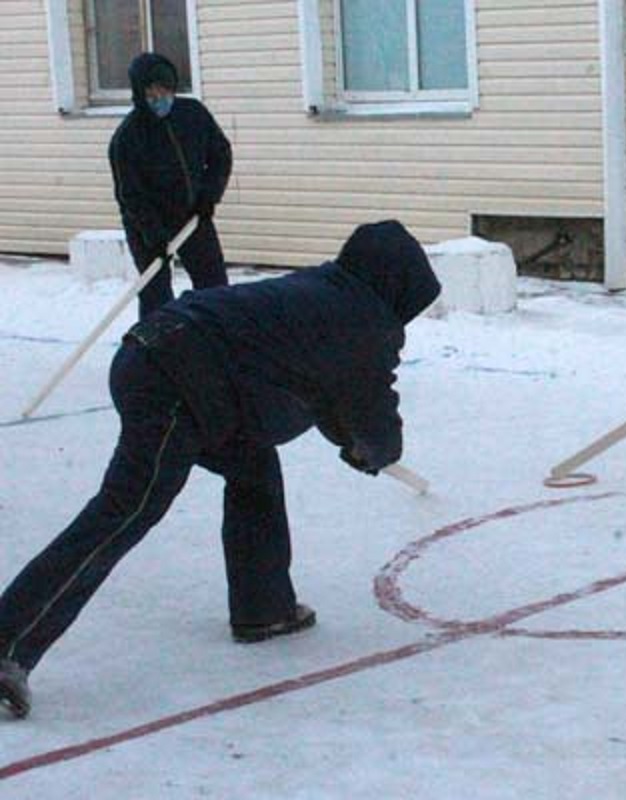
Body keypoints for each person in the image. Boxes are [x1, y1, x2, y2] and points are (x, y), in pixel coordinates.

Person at [0, 220, 441, 720]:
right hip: (174, 382)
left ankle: (265, 608)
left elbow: (328, 395)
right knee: (125, 510)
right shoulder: (364, 324)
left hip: (165, 357)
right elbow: (368, 411)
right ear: (397, 284)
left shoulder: (324, 292)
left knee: (252, 465)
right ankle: (7, 644)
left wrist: (356, 441)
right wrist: (374, 452)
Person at [108, 52, 233, 319]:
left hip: (192, 215)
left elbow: (220, 154)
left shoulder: (193, 115)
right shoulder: (127, 137)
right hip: (147, 227)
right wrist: (152, 233)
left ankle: (218, 342)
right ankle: (154, 353)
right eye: (151, 92)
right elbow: (130, 194)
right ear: (139, 93)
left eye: (165, 90)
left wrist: (209, 195)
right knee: (156, 294)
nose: (159, 98)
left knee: (214, 286)